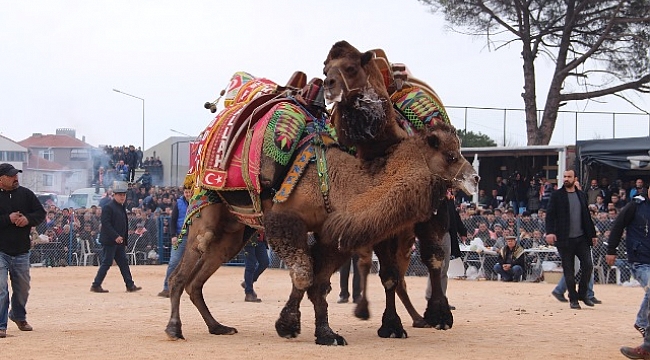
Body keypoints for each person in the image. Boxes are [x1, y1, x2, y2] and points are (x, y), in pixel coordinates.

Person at [0, 164, 46, 338]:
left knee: (22, 288)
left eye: (16, 175)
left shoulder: (26, 194)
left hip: (21, 250)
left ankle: (18, 316)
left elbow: (40, 214)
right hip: (0, 250)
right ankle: (0, 324)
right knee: (1, 288)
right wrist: (8, 219)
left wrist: (27, 219)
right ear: (1, 179)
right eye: (11, 176)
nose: (15, 178)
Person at [606, 190, 650, 359]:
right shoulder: (636, 206)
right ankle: (647, 345)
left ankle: (642, 322)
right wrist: (611, 249)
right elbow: (618, 225)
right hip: (640, 261)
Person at [545, 170, 598, 309]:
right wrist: (550, 232)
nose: (566, 179)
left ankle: (583, 293)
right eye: (564, 176)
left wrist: (592, 235)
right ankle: (573, 299)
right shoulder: (557, 195)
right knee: (569, 270)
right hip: (564, 239)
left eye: (569, 177)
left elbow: (587, 216)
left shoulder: (581, 195)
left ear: (575, 178)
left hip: (581, 238)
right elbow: (550, 215)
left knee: (588, 265)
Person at [90, 181, 141, 293]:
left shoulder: (121, 207)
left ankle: (130, 285)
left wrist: (122, 238)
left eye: (124, 195)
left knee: (123, 263)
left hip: (119, 241)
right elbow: (106, 224)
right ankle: (96, 285)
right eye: (120, 195)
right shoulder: (109, 207)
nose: (123, 197)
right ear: (114, 195)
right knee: (107, 262)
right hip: (111, 241)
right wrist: (116, 236)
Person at [425, 190, 467, 310]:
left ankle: (441, 298)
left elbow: (454, 215)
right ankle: (431, 297)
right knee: (437, 267)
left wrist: (462, 230)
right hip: (435, 233)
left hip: (447, 234)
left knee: (445, 268)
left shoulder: (450, 199)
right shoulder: (433, 196)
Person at [158, 186, 192, 298]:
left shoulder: (198, 202)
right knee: (174, 262)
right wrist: (173, 235)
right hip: (180, 236)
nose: (187, 194)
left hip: (193, 237)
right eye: (186, 192)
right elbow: (173, 220)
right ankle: (167, 288)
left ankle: (190, 288)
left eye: (189, 192)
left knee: (192, 264)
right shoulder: (178, 203)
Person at [240, 230, 269, 302]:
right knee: (250, 265)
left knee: (264, 262)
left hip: (261, 240)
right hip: (249, 240)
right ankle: (249, 293)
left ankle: (248, 282)